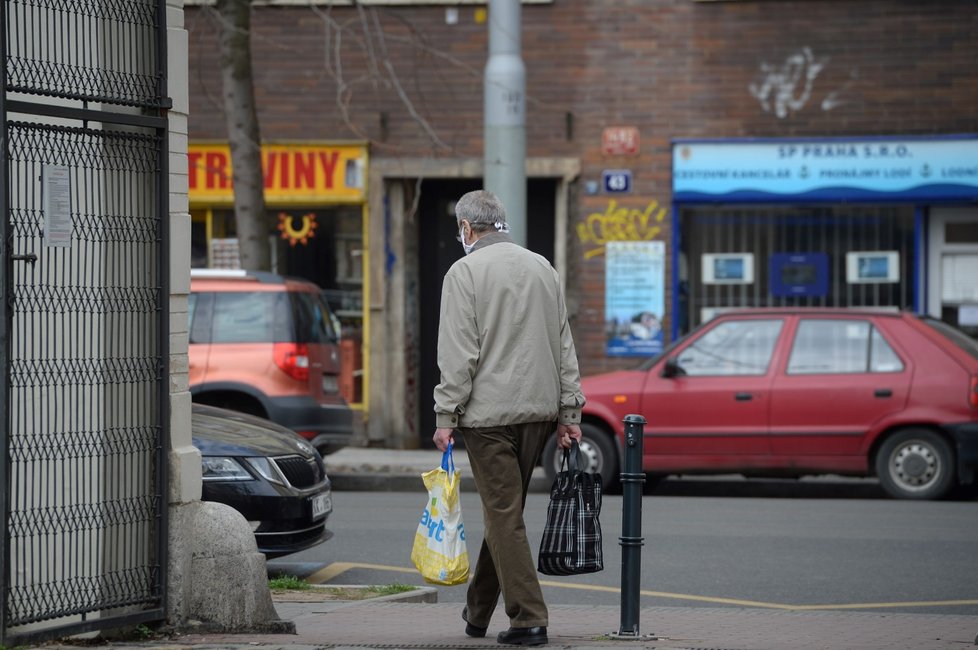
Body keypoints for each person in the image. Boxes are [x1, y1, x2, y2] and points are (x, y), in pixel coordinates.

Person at [432, 190, 585, 647]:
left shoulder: (463, 272)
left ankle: (529, 619)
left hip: (488, 416)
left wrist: (446, 414)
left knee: (503, 515)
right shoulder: (542, 266)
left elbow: (459, 352)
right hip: (538, 411)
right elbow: (564, 344)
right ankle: (477, 613)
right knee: (506, 514)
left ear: (466, 228)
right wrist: (569, 409)